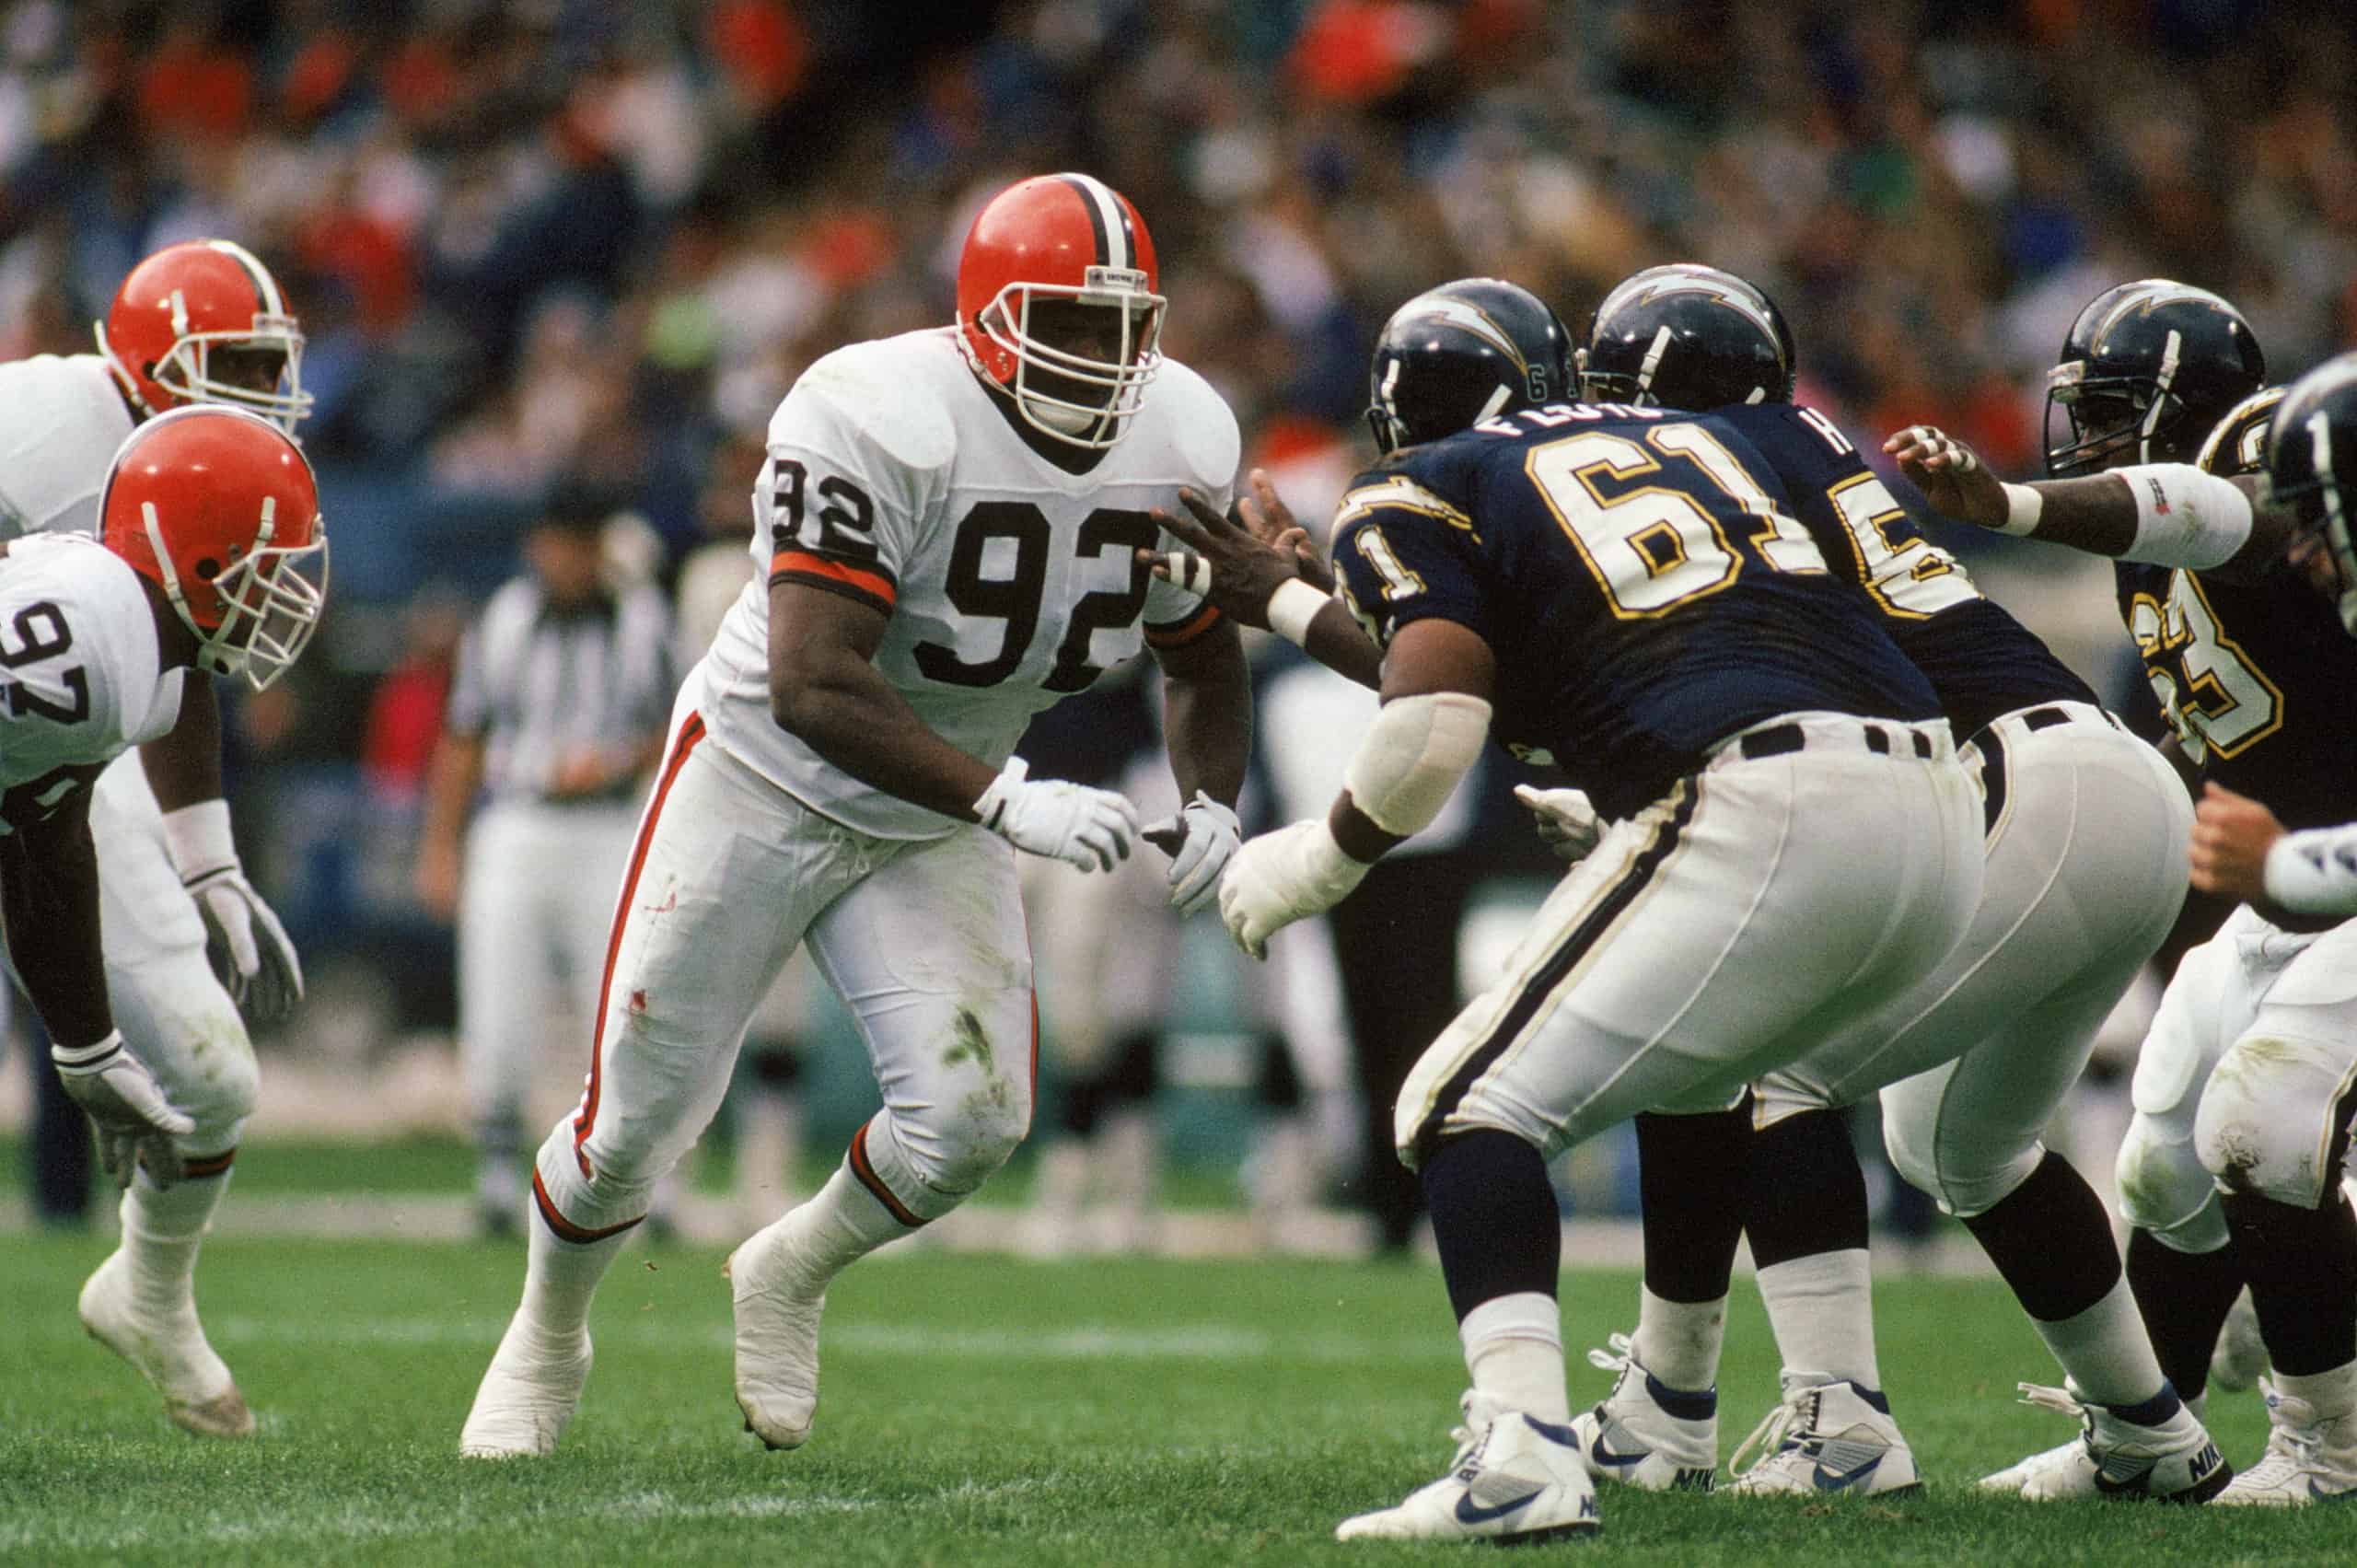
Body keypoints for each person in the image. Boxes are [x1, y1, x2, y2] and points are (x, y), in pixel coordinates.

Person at [1169, 275, 1984, 1542]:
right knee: (1730, 1075)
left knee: (1457, 1102)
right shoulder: (1697, 447)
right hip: (1936, 804)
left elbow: (1436, 723)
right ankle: (1743, 1410)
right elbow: (1528, 691)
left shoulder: (1424, 478)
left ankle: (1523, 1450)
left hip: (1764, 796)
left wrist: (1312, 861)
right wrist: (1288, 595)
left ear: (1399, 409)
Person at [459, 172, 1252, 1458]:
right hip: (767, 772)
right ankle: (548, 1330)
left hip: (941, 799)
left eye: (1124, 324)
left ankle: (792, 1264)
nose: (1105, 359)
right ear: (989, 320)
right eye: (1069, 321)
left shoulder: (1186, 433)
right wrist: (1007, 797)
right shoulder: (877, 409)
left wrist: (1215, 797)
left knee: (973, 1120)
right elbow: (814, 676)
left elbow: (1204, 655)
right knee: (633, 1128)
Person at [1546, 266, 2220, 1501]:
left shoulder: (1708, 486)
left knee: (1768, 1062)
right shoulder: (1797, 457)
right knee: (1964, 1144)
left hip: (2026, 783)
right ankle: (2153, 1430)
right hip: (2098, 790)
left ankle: (1837, 1421)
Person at [1887, 345, 2357, 1504]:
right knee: (2162, 1156)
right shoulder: (2196, 557)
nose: (2296, 541)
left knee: (2268, 1108)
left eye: (2107, 415)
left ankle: (2332, 1448)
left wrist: (2007, 505)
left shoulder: (2227, 483)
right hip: (2298, 888)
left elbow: (2210, 512)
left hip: (2321, 877)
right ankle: (2152, 1433)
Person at [0, 239, 313, 1438]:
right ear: (146, 354)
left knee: (212, 1075)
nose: (255, 390)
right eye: (228, 361)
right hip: (42, 717)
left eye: (266, 365)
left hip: (58, 736)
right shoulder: (39, 424)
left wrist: (209, 852)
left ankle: (150, 1293)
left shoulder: (197, 474)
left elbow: (186, 644)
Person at [415, 487, 679, 1236]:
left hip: (608, 826)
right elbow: (463, 736)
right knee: (498, 1004)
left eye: (581, 543)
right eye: (557, 542)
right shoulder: (503, 618)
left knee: (629, 1004)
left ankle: (642, 1174)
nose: (567, 559)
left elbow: (681, 729)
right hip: (519, 820)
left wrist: (617, 761)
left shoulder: (644, 620)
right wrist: (440, 846)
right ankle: (499, 1173)